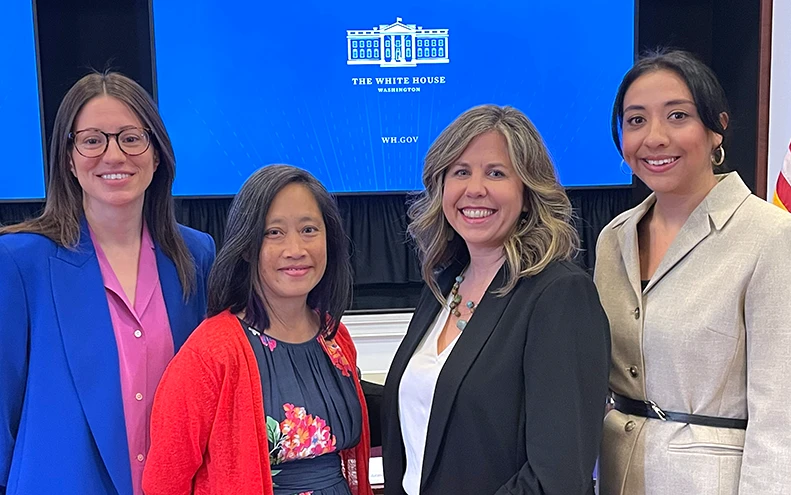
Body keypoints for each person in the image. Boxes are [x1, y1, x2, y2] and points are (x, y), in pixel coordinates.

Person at [0, 71, 216, 495]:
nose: (114, 155)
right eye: (92, 140)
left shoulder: (196, 255)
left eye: (131, 138)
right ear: (68, 158)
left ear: (157, 155)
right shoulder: (19, 261)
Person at [595, 49, 791, 494]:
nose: (654, 137)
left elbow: (785, 417)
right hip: (617, 475)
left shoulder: (772, 237)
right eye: (636, 120)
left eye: (677, 116)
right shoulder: (613, 239)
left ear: (716, 128)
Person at [381, 104, 611, 494]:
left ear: (528, 192)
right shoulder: (443, 286)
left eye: (496, 173)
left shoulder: (560, 295)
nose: (474, 189)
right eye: (460, 172)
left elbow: (557, 476)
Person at [142, 165, 373, 495]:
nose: (296, 249)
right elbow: (165, 481)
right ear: (247, 247)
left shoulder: (335, 337)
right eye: (274, 232)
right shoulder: (211, 352)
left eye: (309, 229)